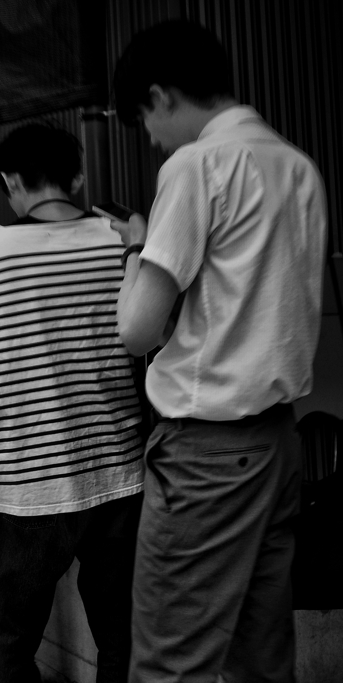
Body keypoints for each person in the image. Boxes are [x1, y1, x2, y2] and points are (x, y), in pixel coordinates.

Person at [111, 20, 328, 683]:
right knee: (261, 657)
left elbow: (138, 331)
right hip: (277, 442)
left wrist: (135, 249)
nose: (148, 138)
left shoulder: (199, 163)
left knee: (172, 662)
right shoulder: (298, 167)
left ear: (161, 95)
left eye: (143, 118)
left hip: (206, 453)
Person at [0, 123, 146, 683]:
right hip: (117, 474)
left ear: (10, 181)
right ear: (78, 176)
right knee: (121, 635)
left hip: (28, 484)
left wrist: (15, 419)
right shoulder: (117, 245)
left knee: (10, 640)